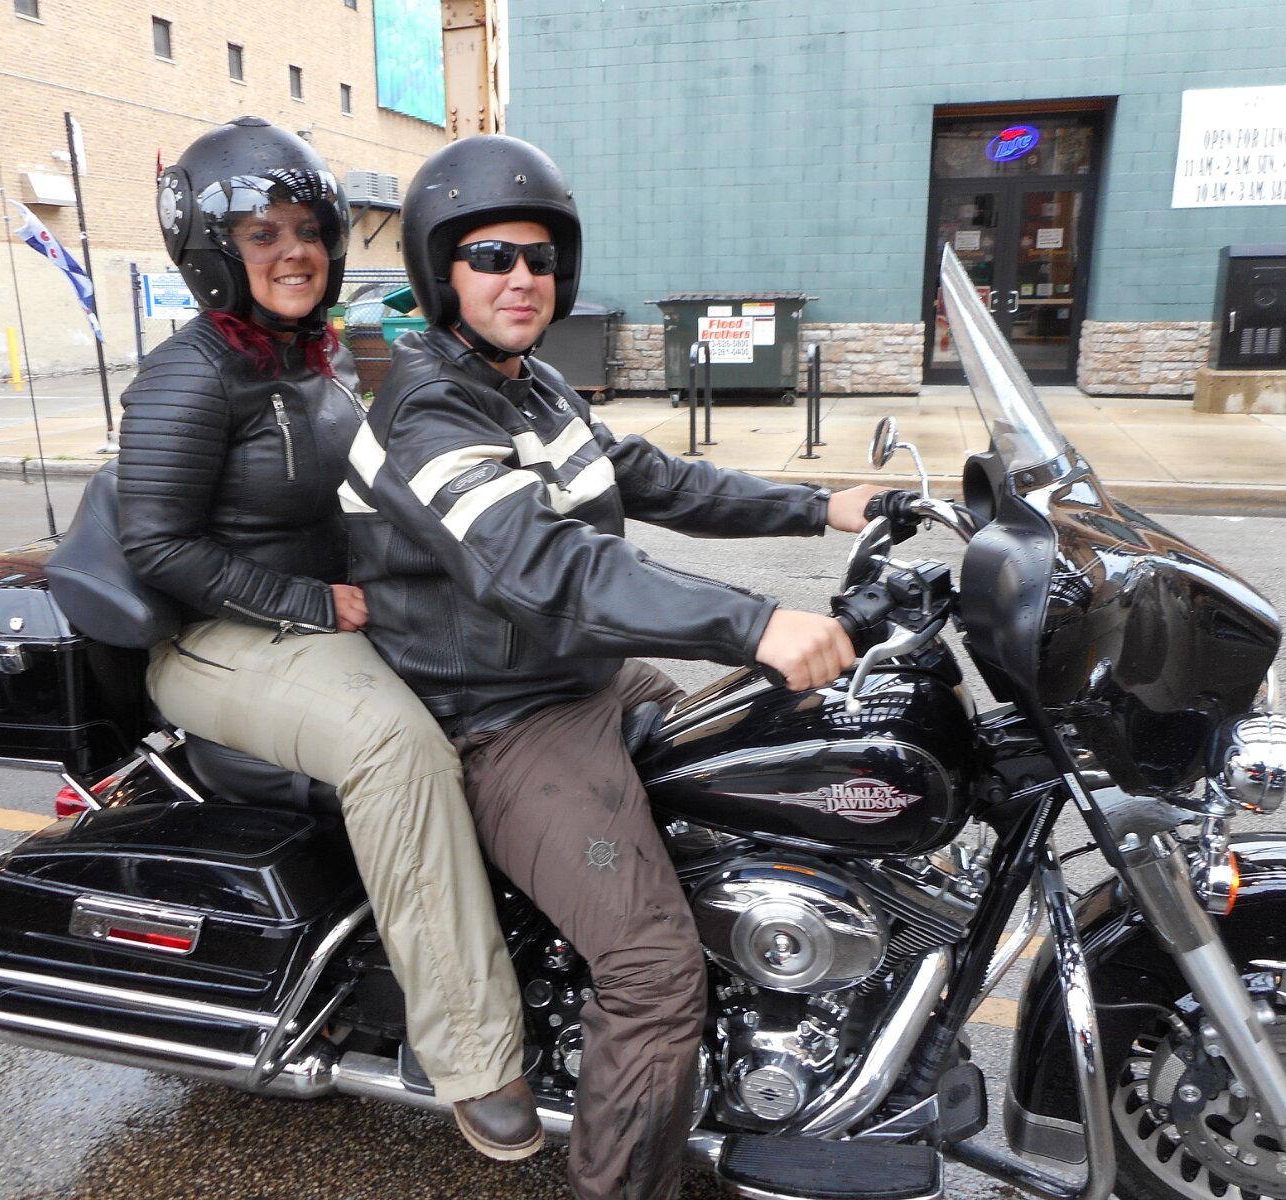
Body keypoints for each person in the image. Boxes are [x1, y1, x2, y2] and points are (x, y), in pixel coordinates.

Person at [342, 134, 913, 1200]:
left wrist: (825, 505)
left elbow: (659, 478)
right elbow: (546, 566)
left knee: (773, 769)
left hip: (582, 680)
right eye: (492, 256)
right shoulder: (428, 411)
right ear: (441, 273)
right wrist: (753, 623)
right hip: (499, 719)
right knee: (652, 972)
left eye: (540, 256)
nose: (522, 276)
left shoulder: (530, 386)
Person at [116, 117, 540, 1161]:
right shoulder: (190, 374)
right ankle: (473, 1054)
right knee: (395, 748)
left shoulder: (315, 359)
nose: (295, 251)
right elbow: (157, 546)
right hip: (219, 640)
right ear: (213, 252)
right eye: (262, 234)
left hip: (327, 615)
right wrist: (308, 603)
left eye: (307, 230)